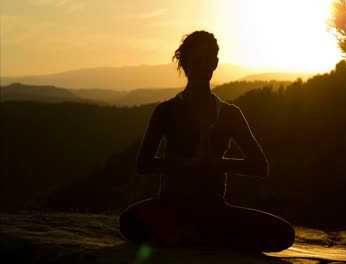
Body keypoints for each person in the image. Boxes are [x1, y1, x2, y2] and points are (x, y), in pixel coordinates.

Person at [119, 30, 295, 252]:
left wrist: (215, 162)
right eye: (197, 61)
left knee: (284, 234)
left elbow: (260, 166)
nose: (203, 67)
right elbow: (143, 164)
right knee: (128, 221)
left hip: (213, 209)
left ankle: (191, 236)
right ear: (185, 63)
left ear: (216, 63)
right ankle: (204, 237)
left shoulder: (230, 114)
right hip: (171, 206)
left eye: (208, 60)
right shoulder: (166, 111)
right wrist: (189, 163)